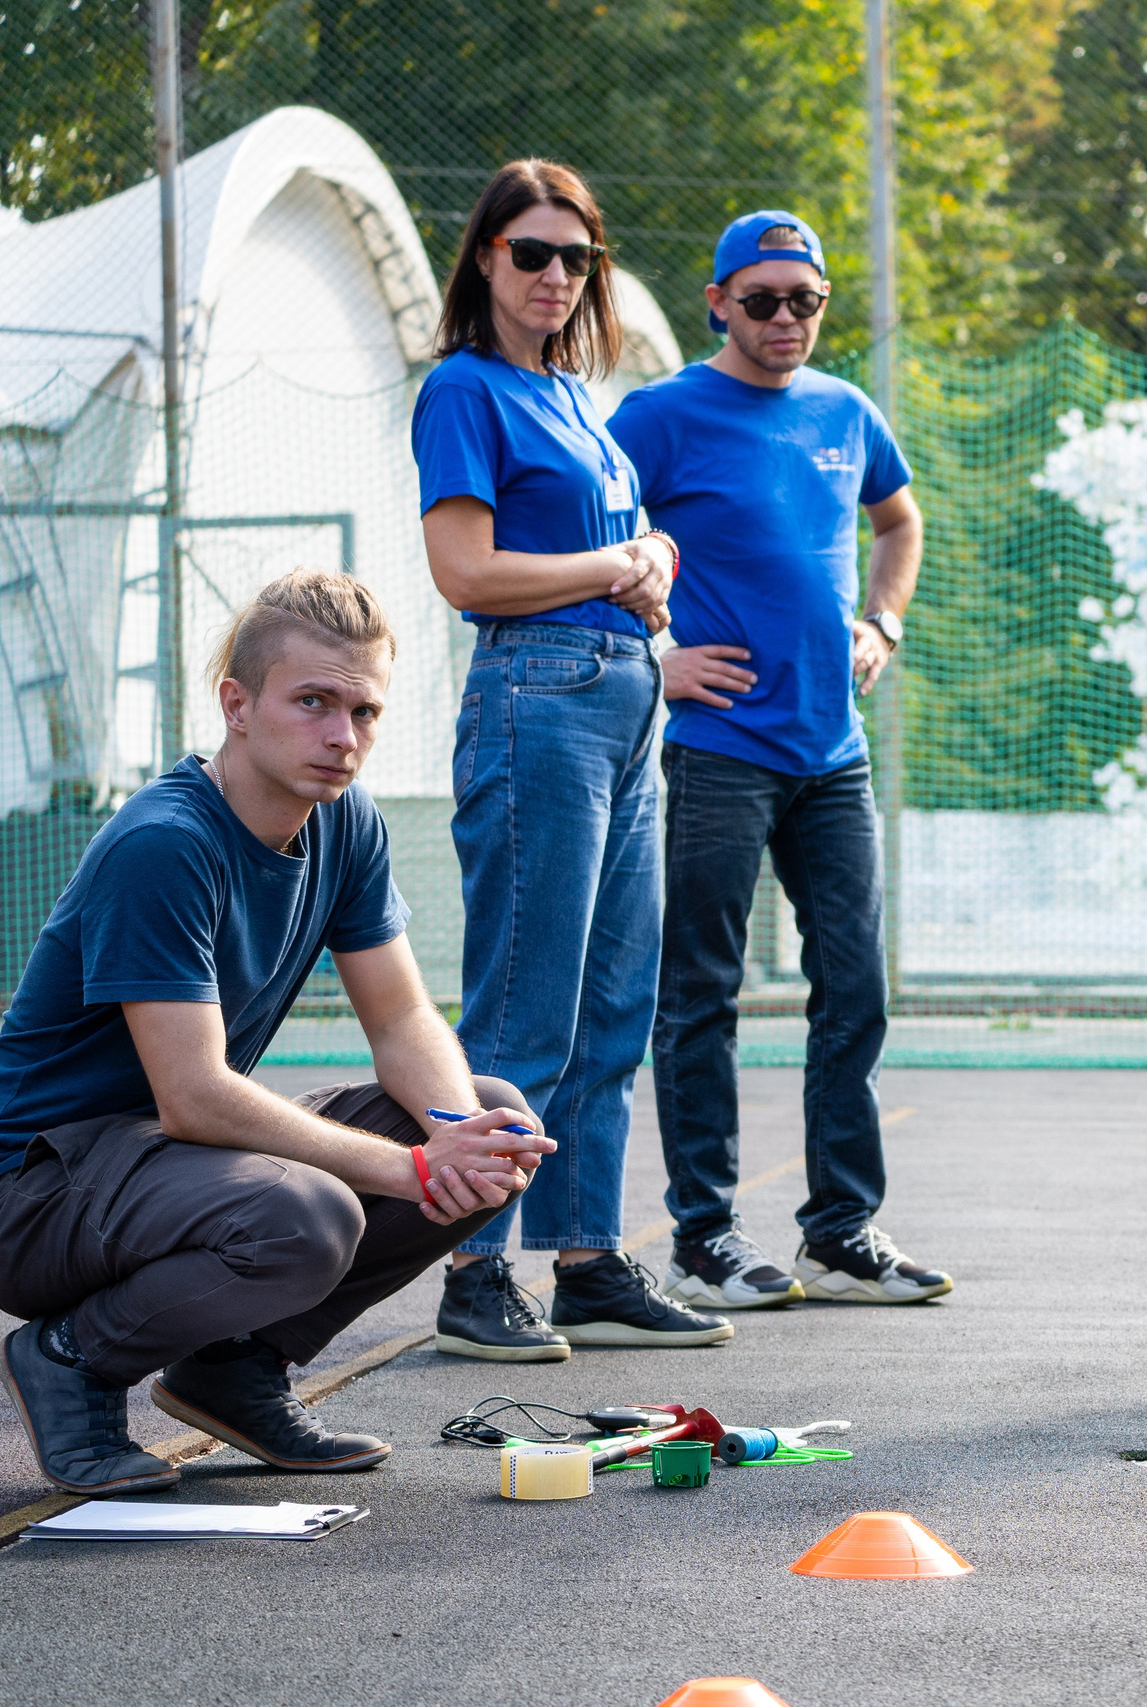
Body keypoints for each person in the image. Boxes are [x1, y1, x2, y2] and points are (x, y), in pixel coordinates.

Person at [0, 571, 560, 1492]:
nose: (340, 736)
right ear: (237, 704)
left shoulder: (346, 822)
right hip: (34, 1195)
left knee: (493, 1119)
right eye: (312, 701)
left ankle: (233, 1365)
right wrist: (409, 1168)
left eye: (364, 711)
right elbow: (194, 1093)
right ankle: (71, 1357)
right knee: (309, 1215)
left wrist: (447, 1135)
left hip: (157, 1161)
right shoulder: (164, 842)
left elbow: (398, 1015)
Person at [413, 159, 730, 1358]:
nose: (555, 276)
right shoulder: (463, 389)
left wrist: (647, 550)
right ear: (485, 260)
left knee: (612, 1007)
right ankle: (473, 1267)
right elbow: (468, 573)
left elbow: (615, 549)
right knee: (522, 1007)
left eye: (576, 257)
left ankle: (590, 1260)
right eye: (530, 253)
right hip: (536, 696)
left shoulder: (581, 401)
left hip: (626, 703)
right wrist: (615, 566)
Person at [607, 211, 950, 1309]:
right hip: (717, 751)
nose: (786, 320)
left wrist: (883, 626)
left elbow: (900, 522)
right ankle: (702, 1239)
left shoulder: (847, 413)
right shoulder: (658, 417)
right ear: (717, 301)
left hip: (830, 752)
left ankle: (839, 1229)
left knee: (855, 985)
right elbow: (589, 538)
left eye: (806, 301)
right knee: (700, 993)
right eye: (762, 301)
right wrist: (654, 657)